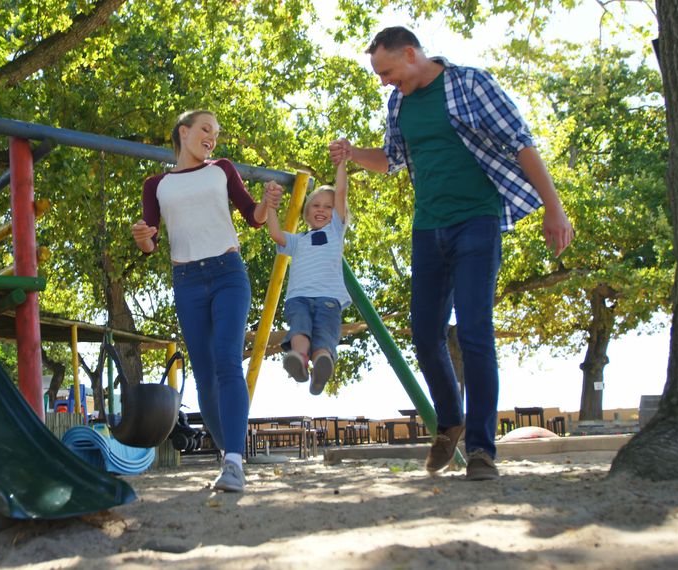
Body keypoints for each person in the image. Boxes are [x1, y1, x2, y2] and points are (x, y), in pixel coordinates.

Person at [329, 26, 575, 481]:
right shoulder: (399, 103)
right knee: (425, 333)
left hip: (476, 222)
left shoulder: (470, 84)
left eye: (387, 71)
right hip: (428, 229)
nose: (384, 81)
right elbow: (392, 159)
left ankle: (482, 450)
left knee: (476, 331)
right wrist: (351, 153)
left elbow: (522, 144)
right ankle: (450, 421)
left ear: (410, 53)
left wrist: (554, 209)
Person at [131, 110, 282, 493]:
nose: (212, 137)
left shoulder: (222, 169)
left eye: (215, 133)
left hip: (228, 273)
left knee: (228, 361)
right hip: (187, 281)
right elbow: (149, 243)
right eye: (205, 129)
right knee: (204, 377)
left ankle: (233, 461)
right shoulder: (156, 185)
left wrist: (267, 203)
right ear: (184, 132)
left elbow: (253, 217)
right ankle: (230, 453)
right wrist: (142, 237)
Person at [264, 159, 351, 397]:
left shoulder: (334, 231)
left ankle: (321, 364)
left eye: (328, 207)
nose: (321, 210)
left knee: (323, 336)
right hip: (299, 298)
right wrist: (271, 206)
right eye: (316, 206)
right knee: (300, 328)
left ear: (336, 214)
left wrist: (342, 164)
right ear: (306, 212)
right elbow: (275, 234)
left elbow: (341, 192)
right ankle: (299, 360)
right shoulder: (298, 239)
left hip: (328, 299)